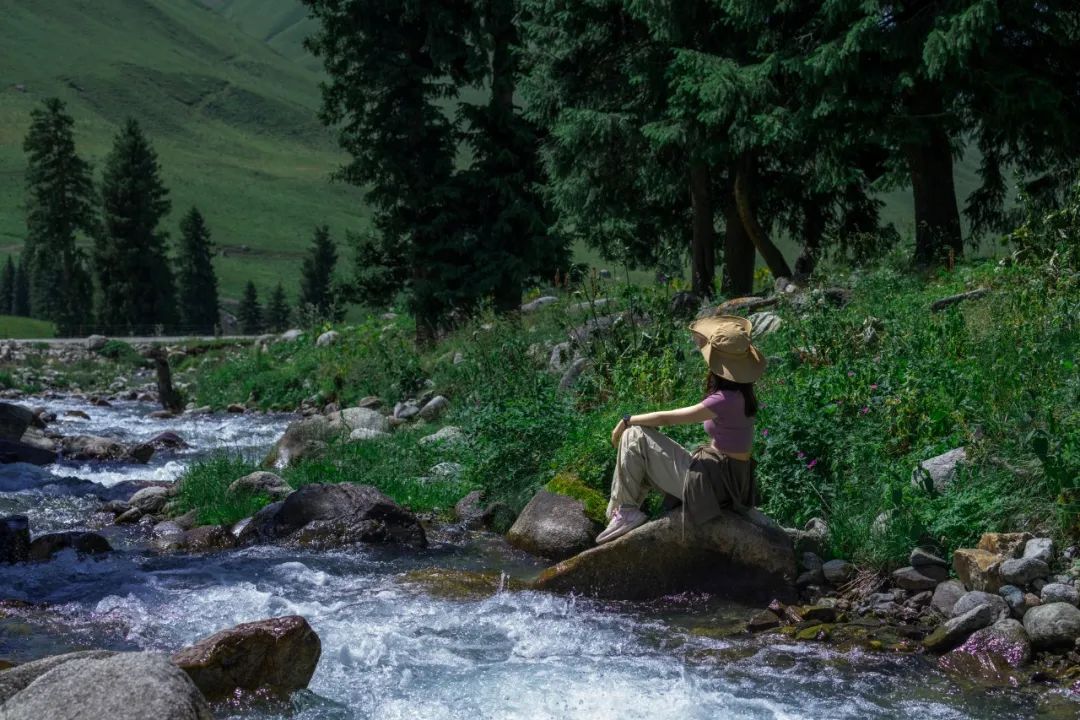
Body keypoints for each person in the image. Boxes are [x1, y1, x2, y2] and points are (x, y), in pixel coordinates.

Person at [595, 315, 766, 544]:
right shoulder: (744, 395)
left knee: (634, 435)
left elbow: (668, 418)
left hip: (715, 486)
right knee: (640, 453)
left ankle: (624, 512)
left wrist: (627, 420)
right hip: (730, 483)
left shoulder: (724, 399)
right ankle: (623, 512)